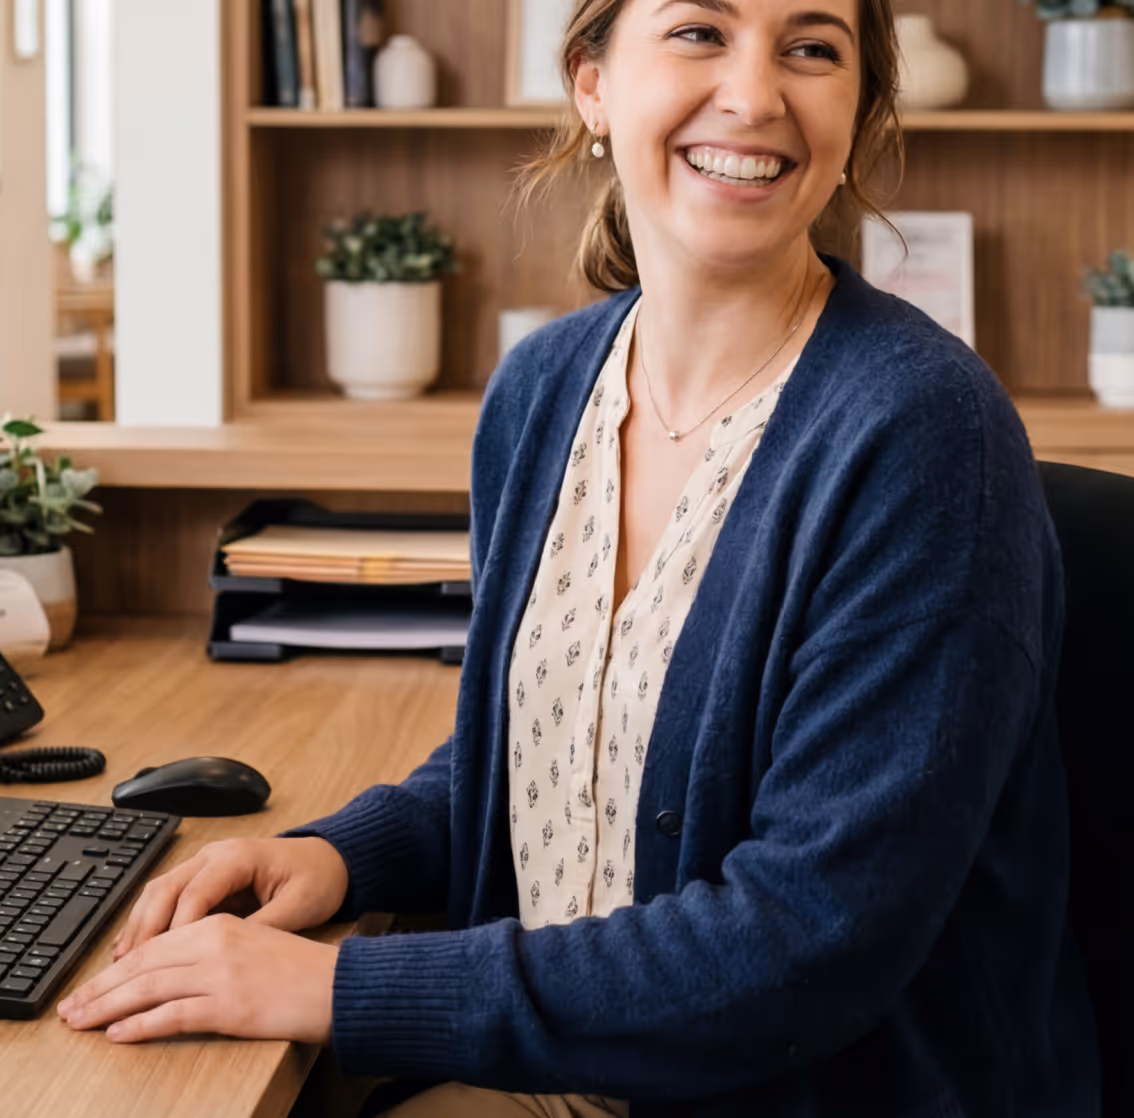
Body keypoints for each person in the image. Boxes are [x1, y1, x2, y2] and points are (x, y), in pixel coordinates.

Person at [58, 1, 1101, 1115]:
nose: (755, 95)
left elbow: (806, 938)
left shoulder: (924, 434)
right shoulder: (544, 389)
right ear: (593, 85)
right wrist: (347, 856)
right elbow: (556, 753)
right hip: (568, 1067)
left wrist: (344, 980)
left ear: (858, 111)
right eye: (700, 32)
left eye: (811, 48)